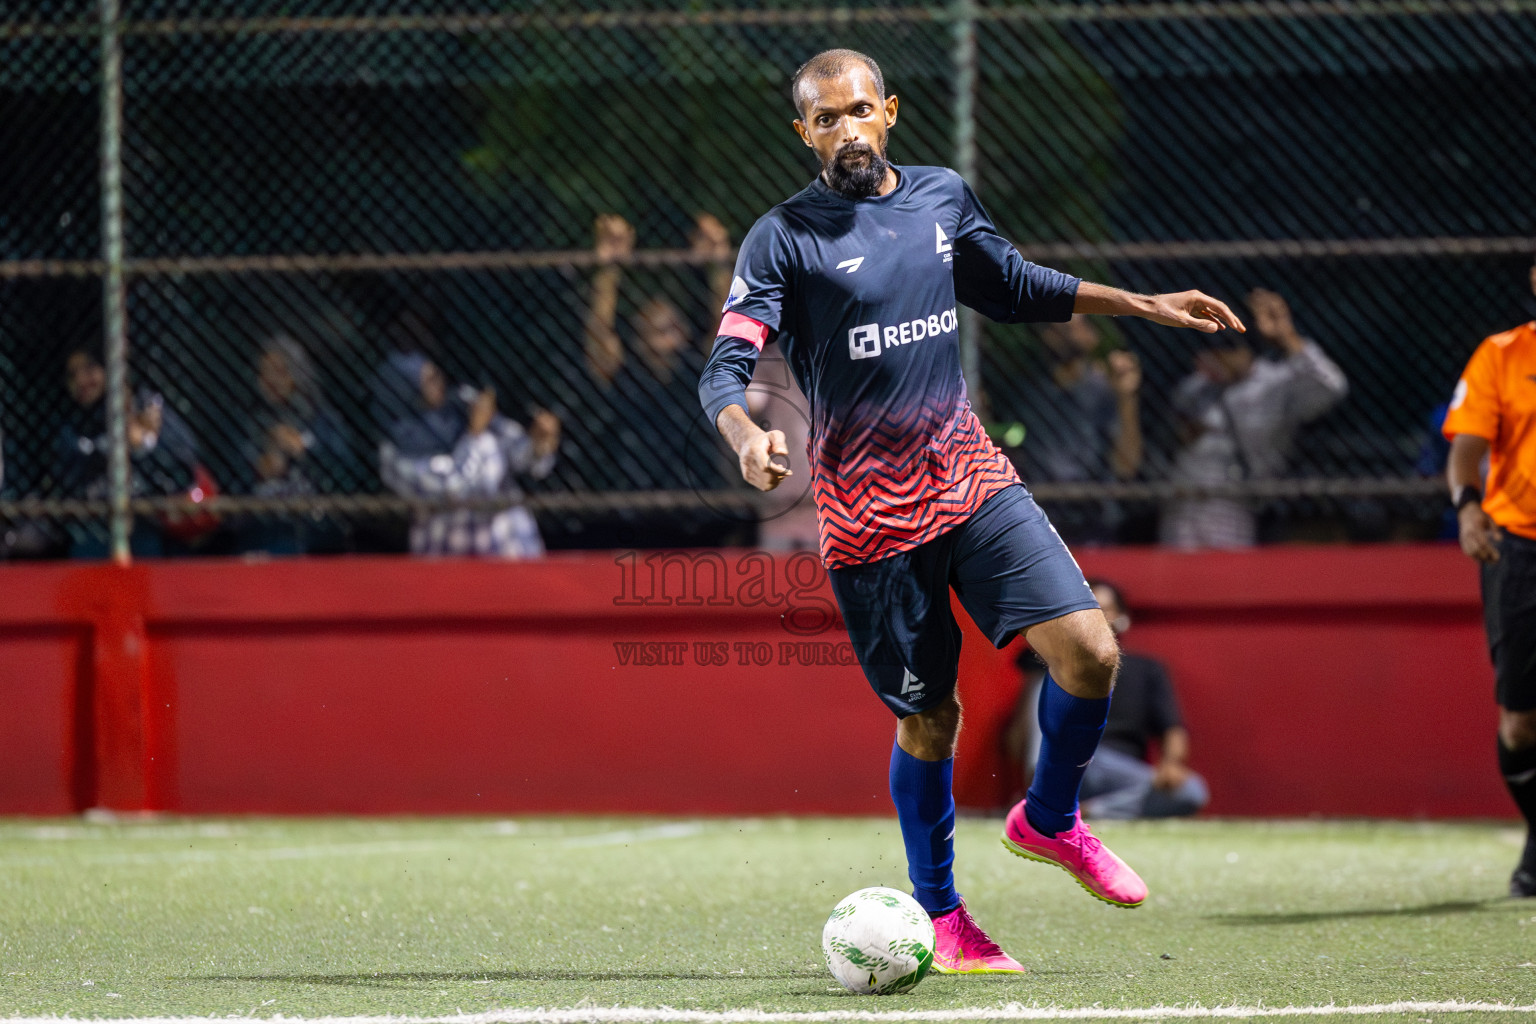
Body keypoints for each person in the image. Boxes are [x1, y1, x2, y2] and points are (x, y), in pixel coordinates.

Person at [697, 49, 1245, 973]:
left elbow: (1016, 285)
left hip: (971, 478)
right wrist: (746, 436)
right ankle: (945, 917)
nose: (846, 130)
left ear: (892, 113)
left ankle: (1051, 818)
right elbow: (724, 365)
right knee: (932, 721)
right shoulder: (781, 238)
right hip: (869, 524)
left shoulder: (942, 199)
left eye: (859, 110)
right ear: (803, 132)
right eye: (824, 119)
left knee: (1092, 651)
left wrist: (1142, 303)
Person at [1443, 256, 1536, 898]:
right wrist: (1467, 505)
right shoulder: (1502, 354)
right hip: (1520, 547)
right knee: (1520, 725)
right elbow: (1467, 450)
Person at [1161, 288, 1347, 548]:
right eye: (1211, 351)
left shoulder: (1275, 383)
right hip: (1181, 503)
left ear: (1245, 350)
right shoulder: (1196, 387)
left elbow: (1332, 387)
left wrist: (1287, 337)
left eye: (1225, 350)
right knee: (1178, 583)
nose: (1217, 358)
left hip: (1234, 505)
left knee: (1227, 581)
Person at [1010, 581, 1208, 820]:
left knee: (1188, 791)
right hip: (1065, 756)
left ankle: (1083, 813)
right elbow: (1015, 742)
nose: (1097, 618)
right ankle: (1045, 792)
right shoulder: (1052, 665)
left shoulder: (1146, 669)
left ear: (1122, 617)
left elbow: (1172, 729)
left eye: (1104, 611)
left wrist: (1171, 764)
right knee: (1046, 677)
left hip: (1119, 771)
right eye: (1089, 610)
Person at [373, 351, 559, 558]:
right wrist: (474, 435)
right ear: (403, 388)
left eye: (437, 375)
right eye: (428, 380)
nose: (439, 382)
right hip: (449, 561)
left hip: (511, 550)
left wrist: (538, 444)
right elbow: (452, 489)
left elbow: (521, 457)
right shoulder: (396, 452)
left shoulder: (461, 407)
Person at [1001, 315, 1142, 544]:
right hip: (1039, 515)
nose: (1062, 333)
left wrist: (1126, 397)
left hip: (1093, 519)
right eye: (1058, 328)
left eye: (1075, 328)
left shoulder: (1104, 391)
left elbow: (1126, 466)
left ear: (1091, 338)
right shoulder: (1031, 393)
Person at [51, 348, 200, 558]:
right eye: (73, 374)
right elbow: (67, 482)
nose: (81, 380)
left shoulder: (148, 408)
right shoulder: (71, 426)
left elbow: (184, 473)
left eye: (89, 368)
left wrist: (145, 445)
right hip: (91, 540)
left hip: (149, 538)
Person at [236, 335, 355, 554]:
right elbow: (232, 477)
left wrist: (304, 449)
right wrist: (260, 469)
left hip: (317, 534)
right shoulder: (249, 421)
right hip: (263, 535)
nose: (271, 380)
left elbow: (347, 470)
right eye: (265, 372)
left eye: (280, 371)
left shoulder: (322, 419)